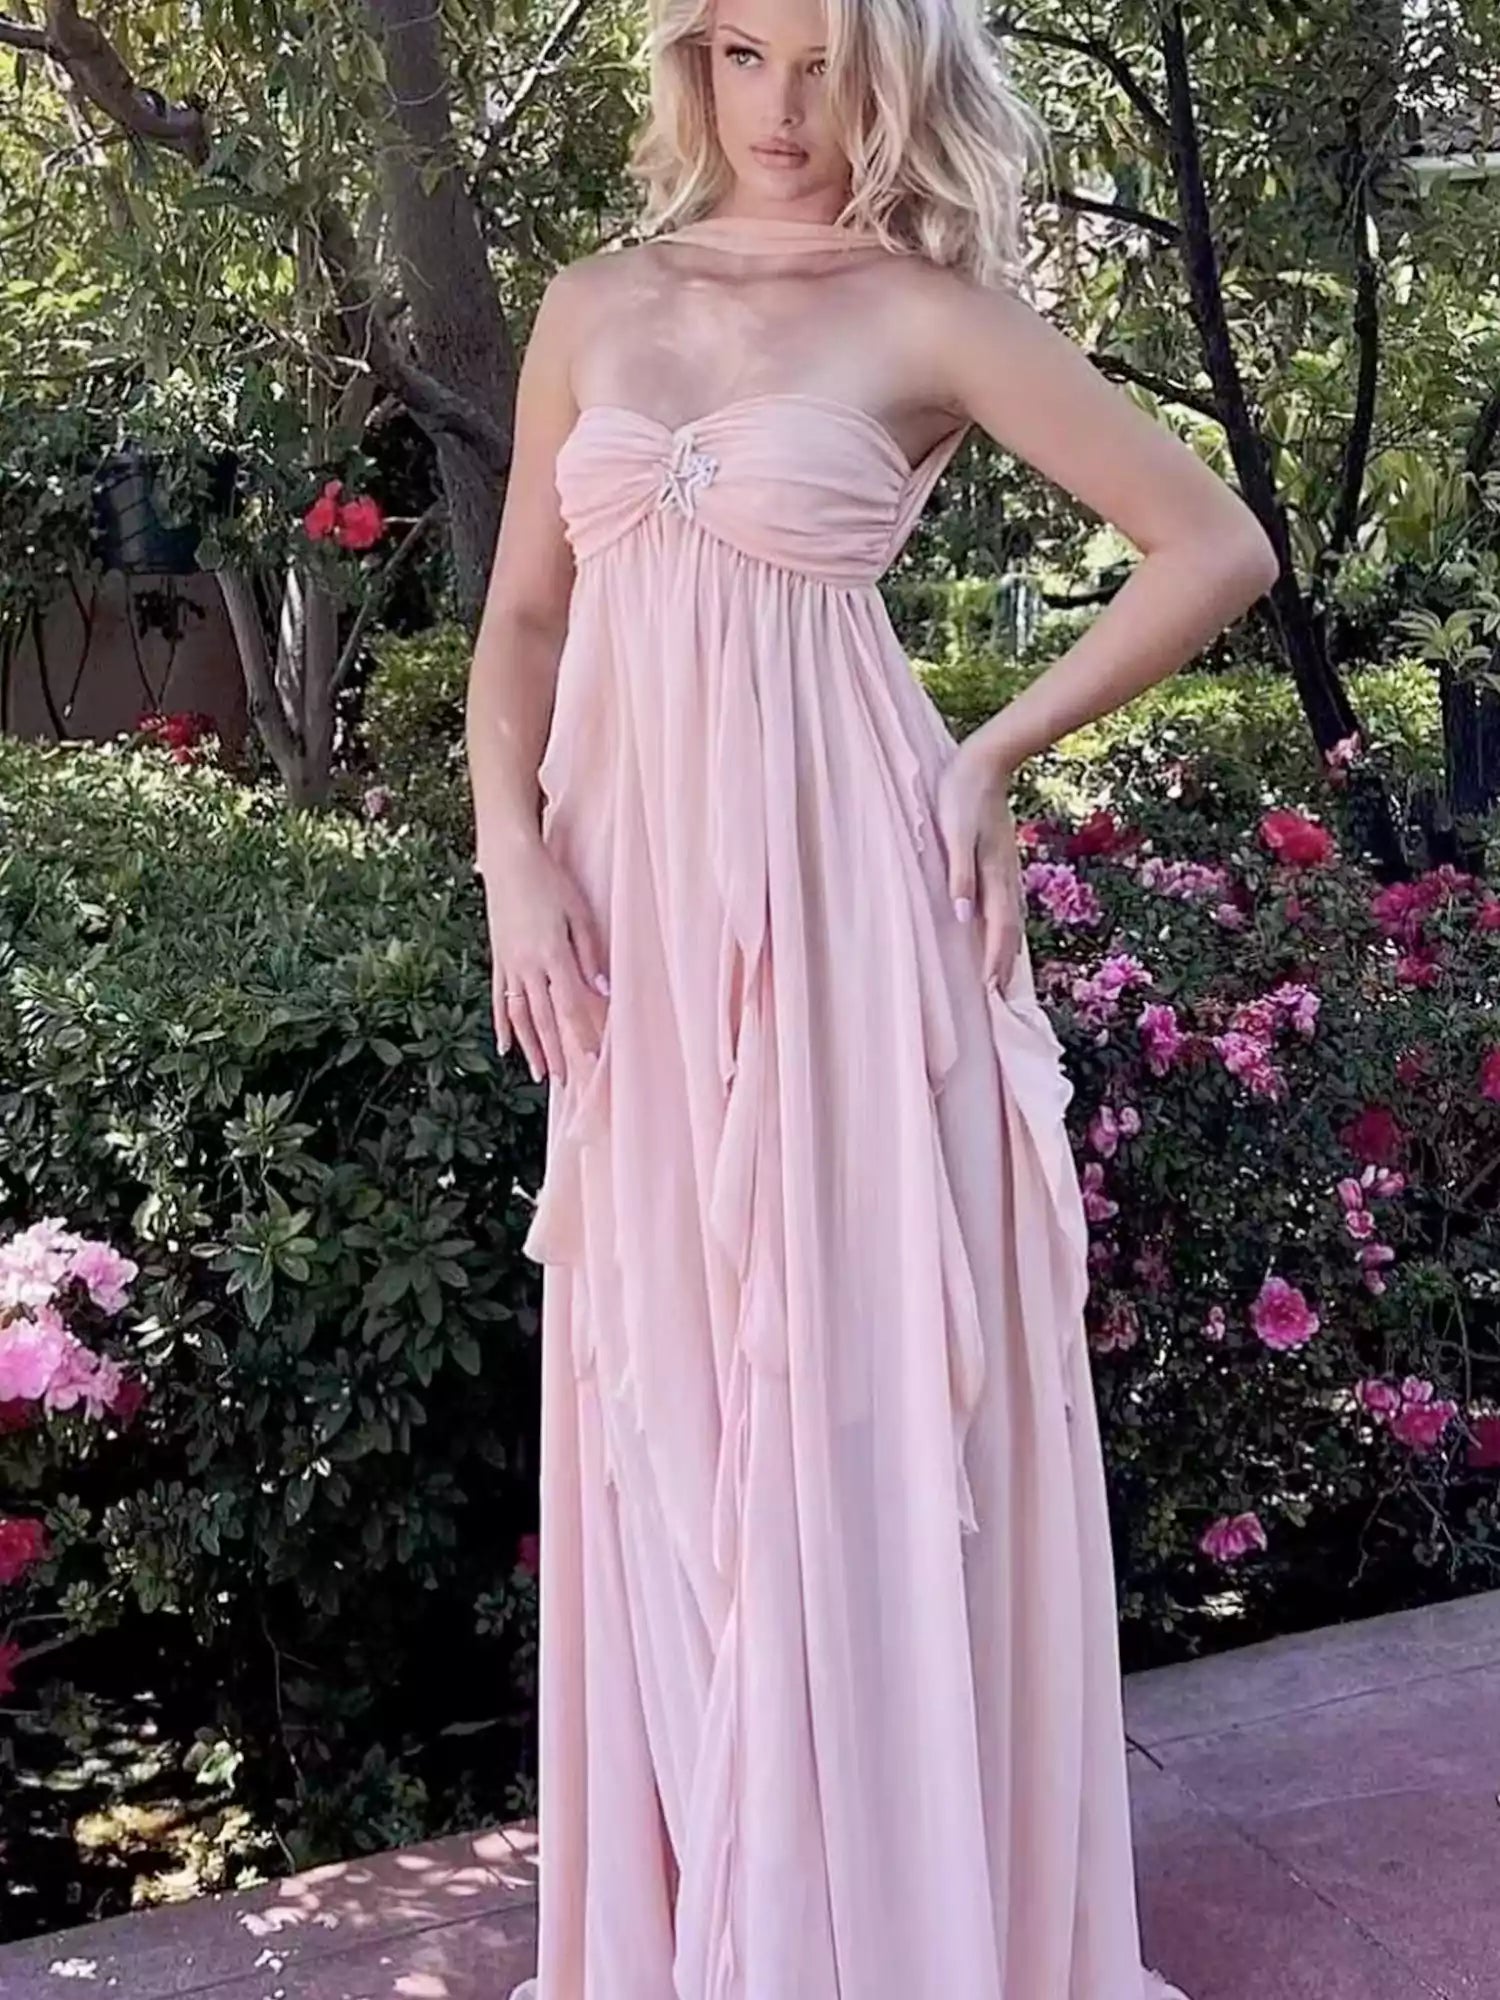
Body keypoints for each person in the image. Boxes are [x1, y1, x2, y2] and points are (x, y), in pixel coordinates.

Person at [465, 0, 1278, 1986]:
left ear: (894, 71)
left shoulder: (927, 315)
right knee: (668, 1402)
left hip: (844, 907)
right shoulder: (596, 303)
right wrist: (511, 860)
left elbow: (1212, 544)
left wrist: (989, 753)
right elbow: (522, 618)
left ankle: (867, 1934)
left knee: (834, 1398)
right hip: (630, 930)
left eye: (826, 60)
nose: (784, 106)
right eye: (744, 55)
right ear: (693, 64)